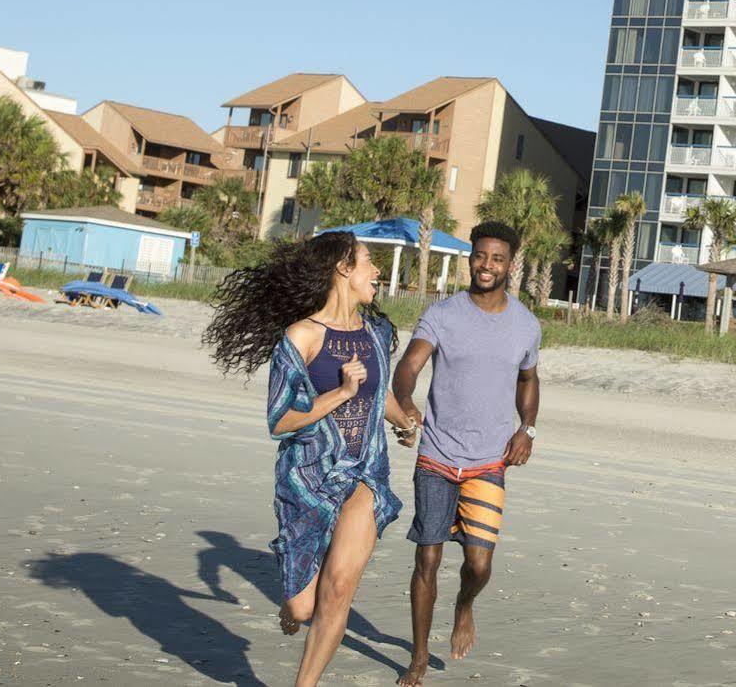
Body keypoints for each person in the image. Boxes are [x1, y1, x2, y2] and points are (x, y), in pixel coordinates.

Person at [202, 231, 421, 687]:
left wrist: (405, 422)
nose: (377, 271)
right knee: (304, 607)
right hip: (307, 478)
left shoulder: (376, 332)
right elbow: (280, 421)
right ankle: (292, 602)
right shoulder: (301, 336)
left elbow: (378, 397)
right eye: (368, 262)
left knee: (339, 590)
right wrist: (341, 393)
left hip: (364, 473)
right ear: (343, 268)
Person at [392, 222, 540, 685]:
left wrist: (527, 429)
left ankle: (465, 605)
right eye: (480, 256)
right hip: (437, 454)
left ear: (510, 264)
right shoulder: (442, 314)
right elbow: (409, 366)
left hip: (488, 460)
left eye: (497, 258)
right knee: (428, 559)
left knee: (479, 564)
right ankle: (418, 657)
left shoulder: (526, 324)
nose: (486, 266)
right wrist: (407, 401)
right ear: (470, 258)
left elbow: (528, 380)